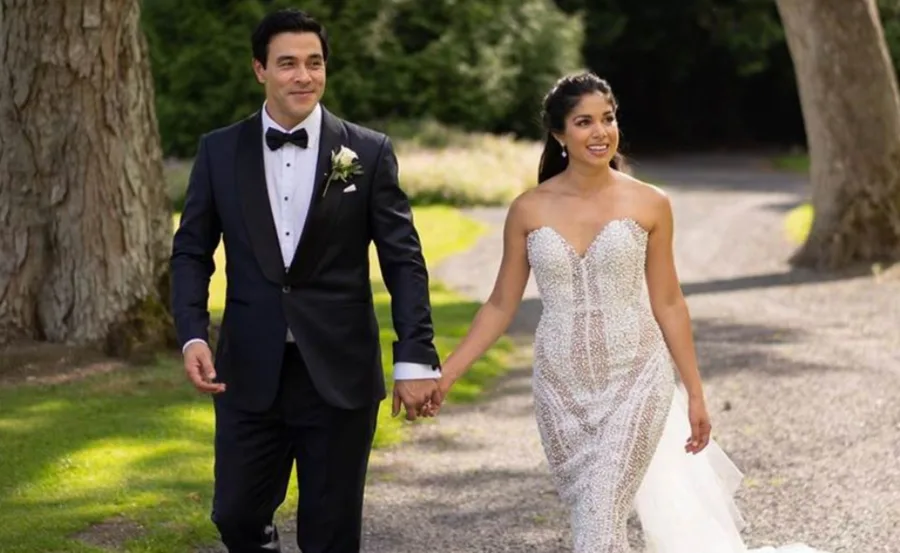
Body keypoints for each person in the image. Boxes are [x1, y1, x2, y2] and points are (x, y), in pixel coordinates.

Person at [433, 72, 829, 553]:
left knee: (599, 523)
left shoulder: (650, 202)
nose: (601, 132)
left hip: (636, 380)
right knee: (595, 520)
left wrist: (696, 394)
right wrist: (447, 374)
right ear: (559, 134)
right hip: (559, 390)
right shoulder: (528, 210)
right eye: (584, 122)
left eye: (608, 118)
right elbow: (500, 305)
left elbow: (668, 301)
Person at [169, 8, 442, 553]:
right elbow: (192, 252)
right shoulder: (219, 151)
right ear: (259, 70)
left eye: (314, 63)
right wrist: (194, 333)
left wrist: (415, 356)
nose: (303, 76)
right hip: (249, 369)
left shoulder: (367, 151)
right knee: (236, 515)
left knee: (332, 533)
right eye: (288, 63)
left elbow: (403, 261)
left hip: (340, 371)